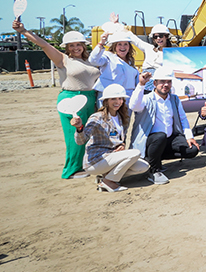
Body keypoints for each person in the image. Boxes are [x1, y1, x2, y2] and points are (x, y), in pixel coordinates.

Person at [13, 20, 100, 179]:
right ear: (66, 48)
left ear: (83, 45)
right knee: (74, 134)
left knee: (87, 134)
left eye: (78, 44)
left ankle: (82, 165)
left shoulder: (90, 60)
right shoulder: (62, 59)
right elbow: (44, 45)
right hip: (72, 98)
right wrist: (24, 31)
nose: (75, 48)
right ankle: (71, 170)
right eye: (71, 45)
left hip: (90, 98)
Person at [71, 84, 149, 192]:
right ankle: (108, 182)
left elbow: (121, 139)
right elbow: (81, 141)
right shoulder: (97, 117)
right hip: (96, 161)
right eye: (113, 99)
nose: (118, 101)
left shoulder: (122, 116)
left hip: (111, 158)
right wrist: (79, 128)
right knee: (135, 153)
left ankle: (107, 177)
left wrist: (122, 145)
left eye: (120, 98)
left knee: (143, 166)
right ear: (106, 101)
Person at [130, 68, 200, 184]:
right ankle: (154, 170)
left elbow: (183, 119)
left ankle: (156, 158)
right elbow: (133, 106)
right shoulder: (146, 99)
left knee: (191, 150)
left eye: (168, 82)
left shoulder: (174, 99)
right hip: (150, 141)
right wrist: (141, 85)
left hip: (168, 139)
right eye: (162, 81)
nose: (165, 85)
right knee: (160, 136)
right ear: (155, 83)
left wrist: (189, 137)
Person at [88, 30, 140, 101]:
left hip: (127, 97)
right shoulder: (107, 56)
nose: (123, 47)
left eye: (125, 44)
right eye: (119, 44)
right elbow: (93, 60)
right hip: (109, 96)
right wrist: (101, 43)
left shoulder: (131, 61)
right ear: (114, 46)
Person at [128, 22, 172, 93]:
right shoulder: (149, 48)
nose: (158, 38)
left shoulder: (171, 53)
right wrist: (117, 24)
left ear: (166, 36)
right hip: (145, 80)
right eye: (155, 37)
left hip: (160, 82)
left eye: (160, 36)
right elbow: (134, 39)